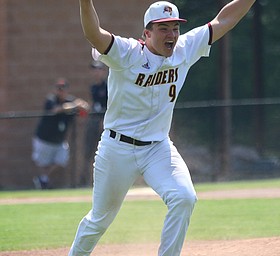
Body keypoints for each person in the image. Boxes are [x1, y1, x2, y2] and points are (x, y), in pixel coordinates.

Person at [69, 0, 256, 255]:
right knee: (99, 221)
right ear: (147, 33)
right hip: (117, 148)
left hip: (158, 148)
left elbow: (225, 20)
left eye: (175, 28)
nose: (172, 35)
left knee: (184, 197)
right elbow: (93, 34)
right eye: (163, 28)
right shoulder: (127, 52)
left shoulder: (185, 49)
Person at [32, 78, 89, 189]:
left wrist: (81, 106)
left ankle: (43, 179)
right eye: (58, 88)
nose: (61, 91)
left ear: (67, 90)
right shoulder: (51, 99)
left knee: (62, 160)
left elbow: (84, 107)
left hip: (59, 140)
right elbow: (56, 110)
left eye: (63, 88)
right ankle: (44, 181)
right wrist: (74, 105)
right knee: (43, 163)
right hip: (45, 138)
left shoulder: (70, 100)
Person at [80, 60, 108, 186]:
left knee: (105, 153)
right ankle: (88, 181)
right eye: (94, 70)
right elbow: (94, 104)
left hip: (105, 123)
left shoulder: (108, 86)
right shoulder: (93, 87)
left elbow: (111, 106)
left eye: (99, 69)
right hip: (94, 121)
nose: (96, 72)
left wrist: (105, 121)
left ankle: (106, 181)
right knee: (89, 151)